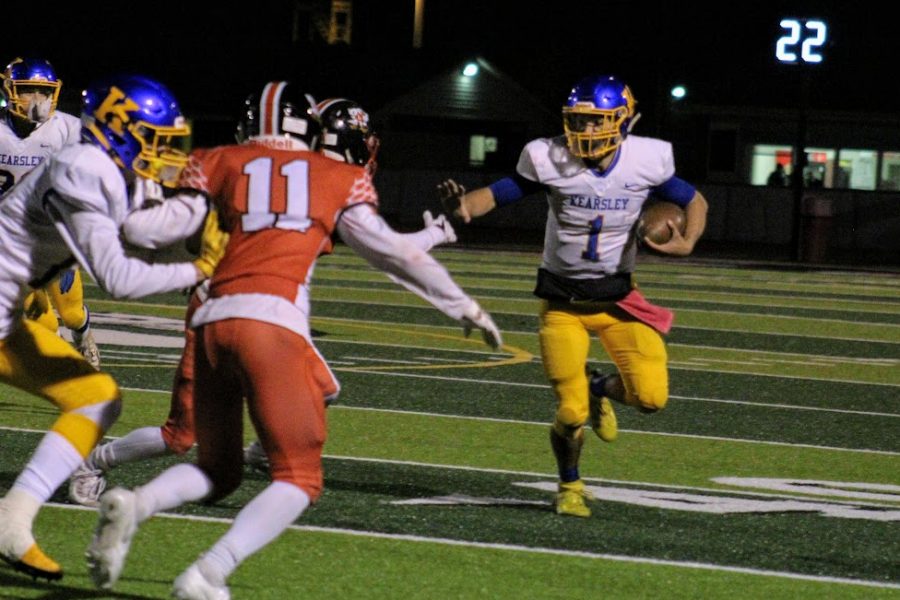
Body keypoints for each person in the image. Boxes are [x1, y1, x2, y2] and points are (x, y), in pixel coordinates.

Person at [86, 82, 500, 599]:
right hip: (272, 323)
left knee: (218, 468)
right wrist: (464, 305)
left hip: (211, 321)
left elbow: (148, 232)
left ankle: (137, 503)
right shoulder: (336, 176)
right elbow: (397, 254)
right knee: (301, 478)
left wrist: (135, 190)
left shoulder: (220, 160)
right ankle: (207, 574)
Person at [67, 96, 458, 506]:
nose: (366, 154)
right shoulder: (298, 178)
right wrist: (438, 234)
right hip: (218, 309)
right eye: (360, 144)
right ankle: (93, 461)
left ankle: (260, 453)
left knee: (323, 388)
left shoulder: (297, 174)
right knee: (180, 437)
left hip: (263, 312)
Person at [438, 75, 707, 518]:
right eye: (578, 122)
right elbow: (503, 192)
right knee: (569, 411)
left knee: (651, 398)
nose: (584, 133)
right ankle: (570, 485)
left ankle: (598, 383)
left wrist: (688, 241)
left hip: (619, 302)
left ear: (623, 121)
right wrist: (465, 206)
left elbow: (695, 200)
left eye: (596, 122)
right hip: (563, 306)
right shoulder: (546, 157)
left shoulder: (646, 160)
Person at [0, 73, 212, 582]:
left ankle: (12, 520)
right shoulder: (83, 165)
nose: (167, 155)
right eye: (157, 141)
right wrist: (203, 268)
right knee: (95, 396)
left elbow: (142, 229)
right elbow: (116, 276)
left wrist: (199, 215)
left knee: (97, 397)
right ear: (120, 131)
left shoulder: (111, 168)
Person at [0, 57, 100, 368]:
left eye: (43, 92)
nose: (36, 100)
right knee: (44, 324)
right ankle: (62, 364)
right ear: (10, 91)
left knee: (70, 313)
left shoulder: (68, 130)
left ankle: (84, 336)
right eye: (28, 91)